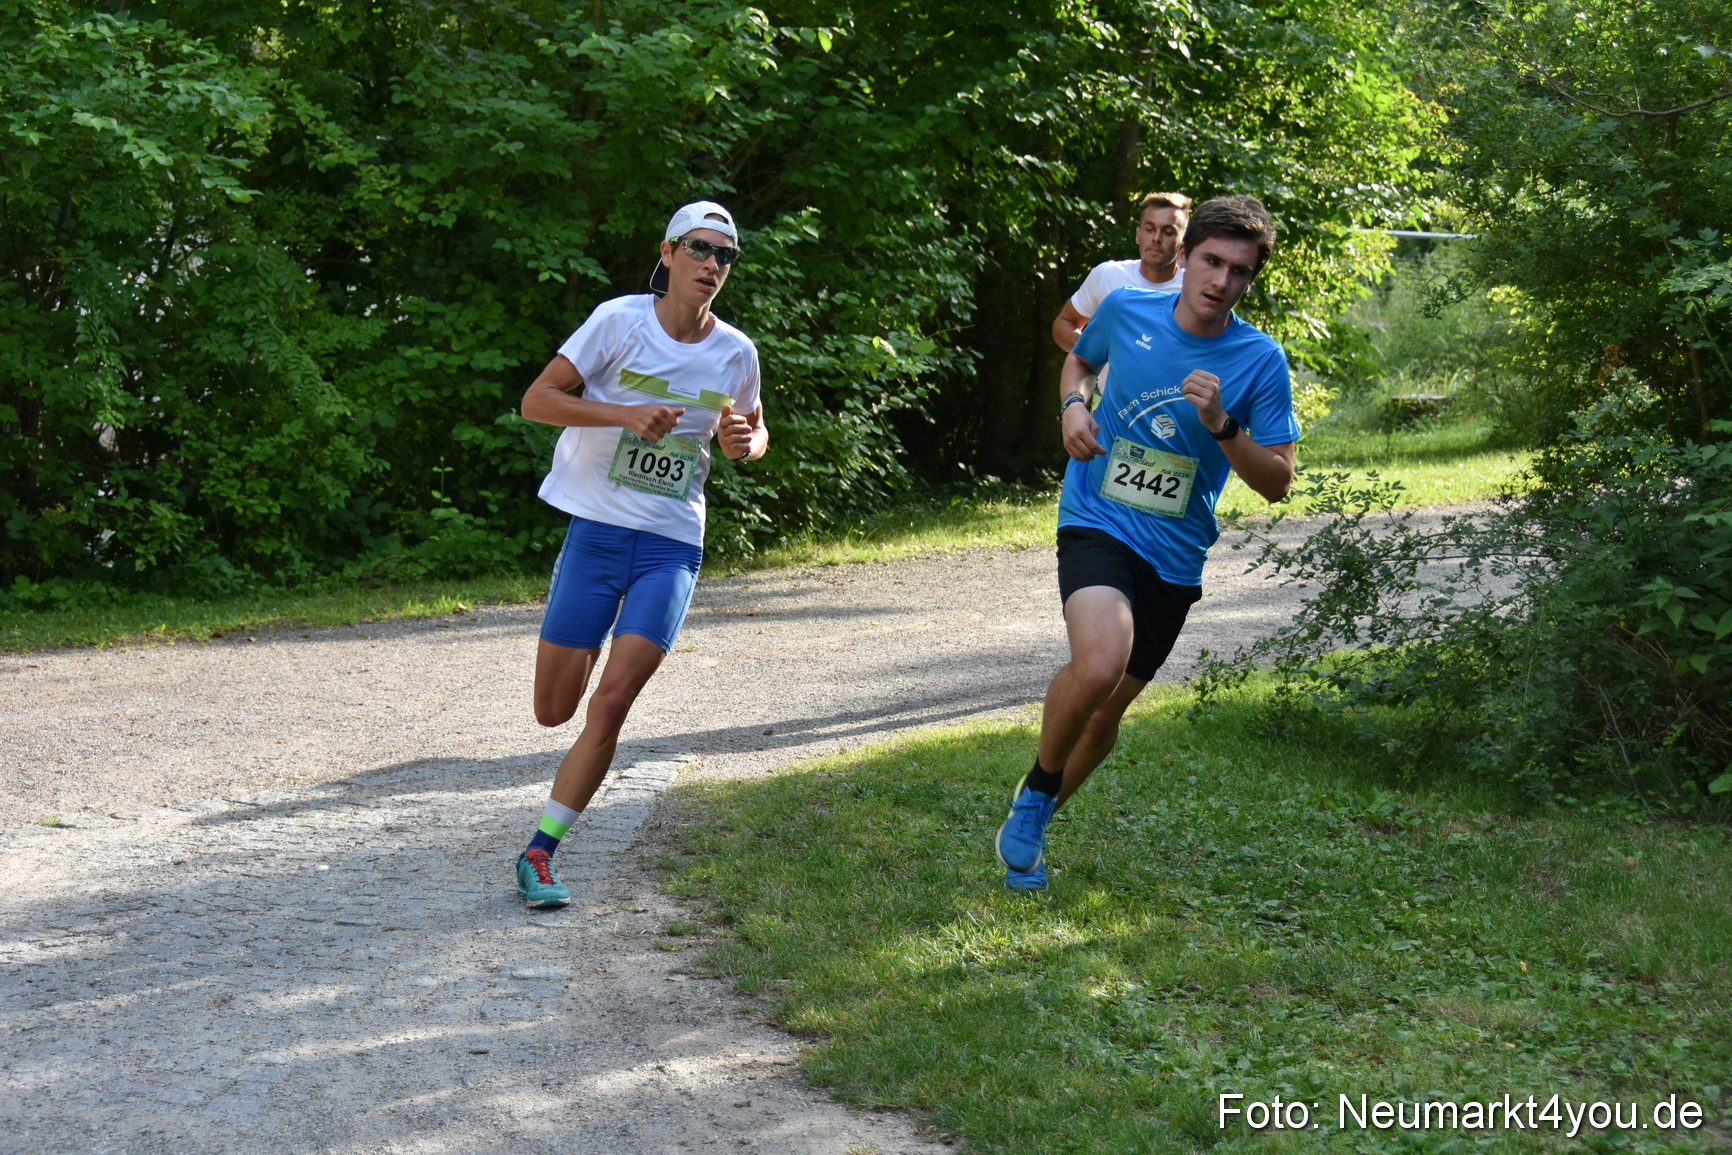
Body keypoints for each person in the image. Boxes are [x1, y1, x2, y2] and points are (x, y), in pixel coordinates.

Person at [997, 194, 1298, 891]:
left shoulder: (1260, 361)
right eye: (1212, 261)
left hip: (1175, 550)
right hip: (1097, 516)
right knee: (1099, 663)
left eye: (1239, 271)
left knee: (1104, 718)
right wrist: (1073, 406)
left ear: (1252, 280)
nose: (1221, 280)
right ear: (1186, 256)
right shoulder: (1127, 309)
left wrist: (1224, 425)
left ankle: (1034, 819)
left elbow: (1278, 480)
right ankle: (1039, 789)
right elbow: (1079, 364)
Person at [512, 201, 766, 908]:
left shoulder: (736, 352)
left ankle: (541, 851)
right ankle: (584, 647)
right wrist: (622, 413)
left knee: (613, 701)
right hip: (595, 532)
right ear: (668, 252)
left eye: (725, 255)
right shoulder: (618, 321)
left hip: (671, 544)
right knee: (553, 709)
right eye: (699, 249)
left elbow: (748, 429)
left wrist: (746, 441)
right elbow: (538, 400)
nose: (712, 264)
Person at [1051, 192, 1192, 353]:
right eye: (1150, 229)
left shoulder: (1193, 292)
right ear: (1138, 235)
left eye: (1168, 232)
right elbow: (1065, 323)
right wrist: (1092, 353)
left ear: (1182, 244)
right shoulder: (1108, 274)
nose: (1156, 238)